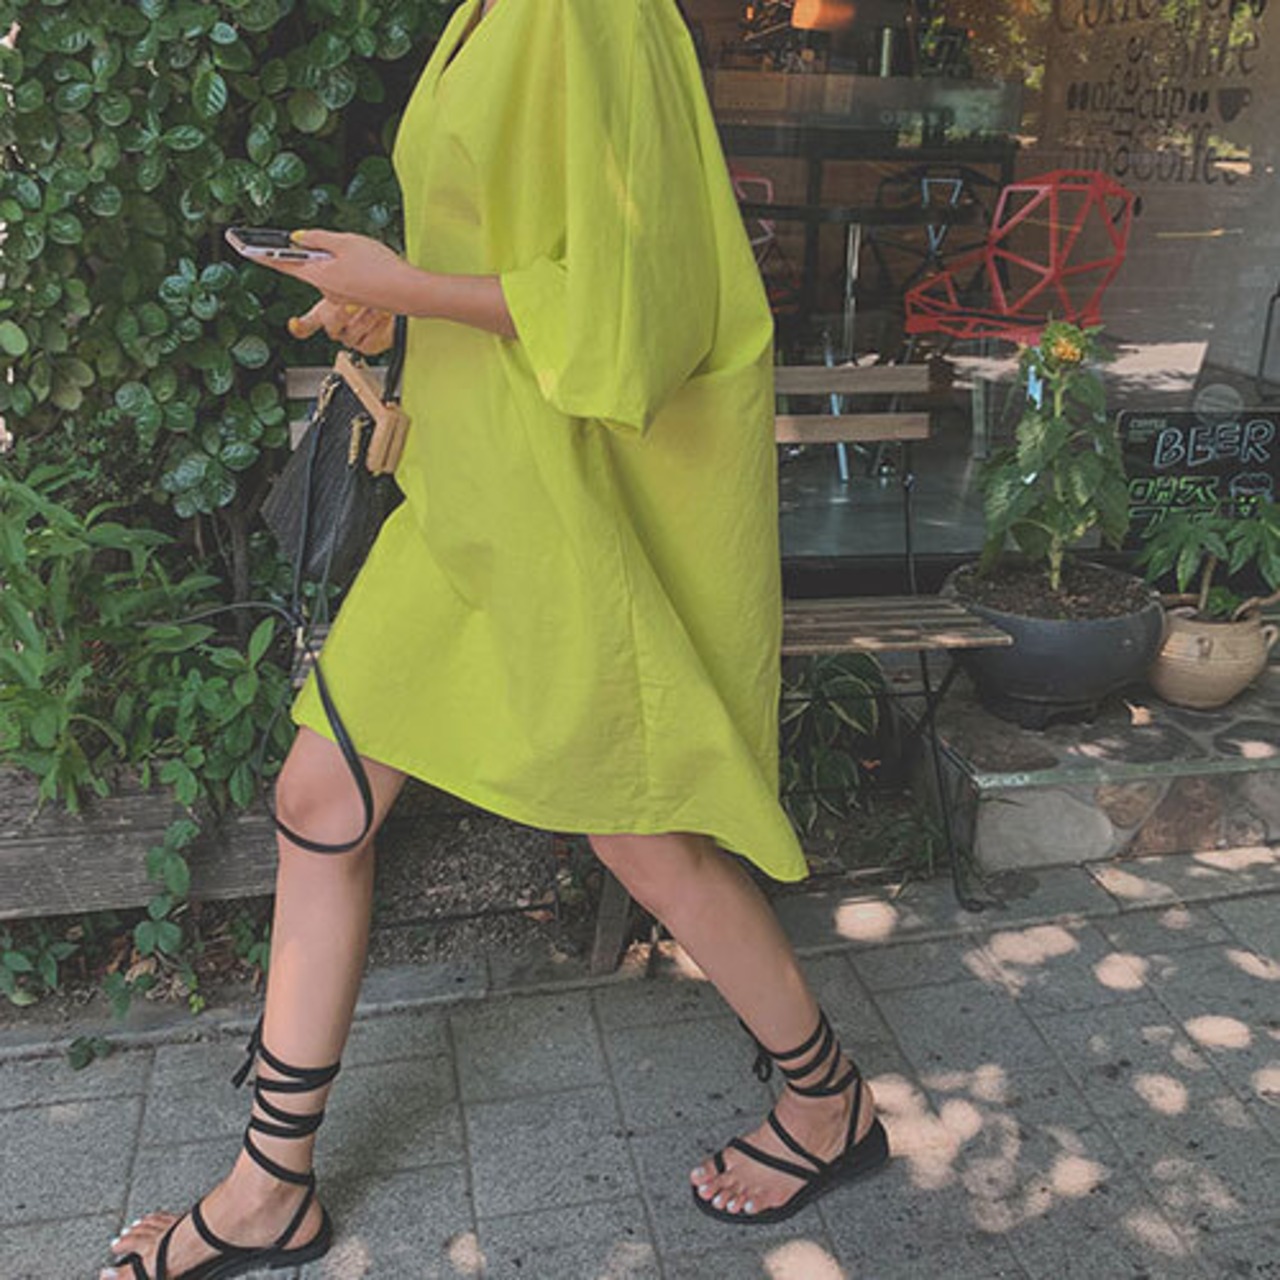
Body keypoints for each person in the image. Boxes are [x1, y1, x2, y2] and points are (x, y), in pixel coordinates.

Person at [102, 1, 887, 1275]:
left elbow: (641, 302)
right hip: (463, 491)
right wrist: (394, 314)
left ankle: (825, 1097)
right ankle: (268, 1186)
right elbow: (525, 256)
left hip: (558, 508)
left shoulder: (590, 15)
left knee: (642, 833)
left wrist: (405, 285)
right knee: (319, 798)